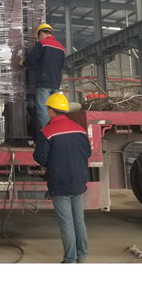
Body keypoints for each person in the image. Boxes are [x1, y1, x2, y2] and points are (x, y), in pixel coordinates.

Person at [33, 92, 91, 264]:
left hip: (60, 183)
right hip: (79, 181)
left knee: (66, 223)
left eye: (47, 109)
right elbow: (87, 152)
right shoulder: (80, 130)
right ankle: (82, 255)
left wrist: (54, 162)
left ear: (51, 111)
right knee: (79, 220)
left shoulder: (47, 132)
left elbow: (40, 157)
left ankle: (69, 259)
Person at [21, 23, 66, 132]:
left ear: (41, 33)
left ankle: (47, 132)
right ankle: (57, 131)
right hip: (56, 83)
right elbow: (62, 65)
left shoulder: (42, 43)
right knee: (54, 108)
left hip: (43, 83)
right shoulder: (61, 47)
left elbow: (31, 60)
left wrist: (23, 63)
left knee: (43, 108)